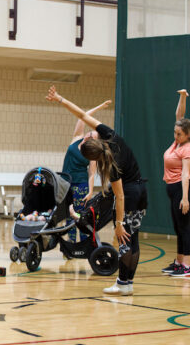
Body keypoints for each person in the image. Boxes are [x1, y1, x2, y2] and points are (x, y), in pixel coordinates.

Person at [46, 86, 147, 296]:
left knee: (125, 238)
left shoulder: (113, 165)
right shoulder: (110, 136)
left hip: (129, 196)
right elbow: (82, 114)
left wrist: (118, 224)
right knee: (133, 239)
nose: (82, 138)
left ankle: (122, 282)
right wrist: (60, 99)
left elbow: (119, 196)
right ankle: (127, 282)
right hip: (139, 191)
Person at [161, 89, 190, 277]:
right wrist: (182, 96)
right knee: (178, 227)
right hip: (174, 189)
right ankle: (179, 263)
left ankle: (187, 267)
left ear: (186, 135)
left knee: (185, 227)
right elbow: (179, 116)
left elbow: (185, 174)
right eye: (174, 133)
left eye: (178, 134)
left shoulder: (188, 149)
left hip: (184, 190)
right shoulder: (178, 143)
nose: (175, 136)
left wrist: (184, 198)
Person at [62, 100, 111, 242]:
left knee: (79, 215)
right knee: (67, 214)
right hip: (65, 183)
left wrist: (90, 191)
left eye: (92, 137)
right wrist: (100, 106)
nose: (89, 135)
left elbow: (91, 174)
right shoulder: (77, 138)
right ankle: (70, 244)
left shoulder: (91, 154)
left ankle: (85, 243)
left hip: (80, 185)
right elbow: (83, 116)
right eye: (89, 133)